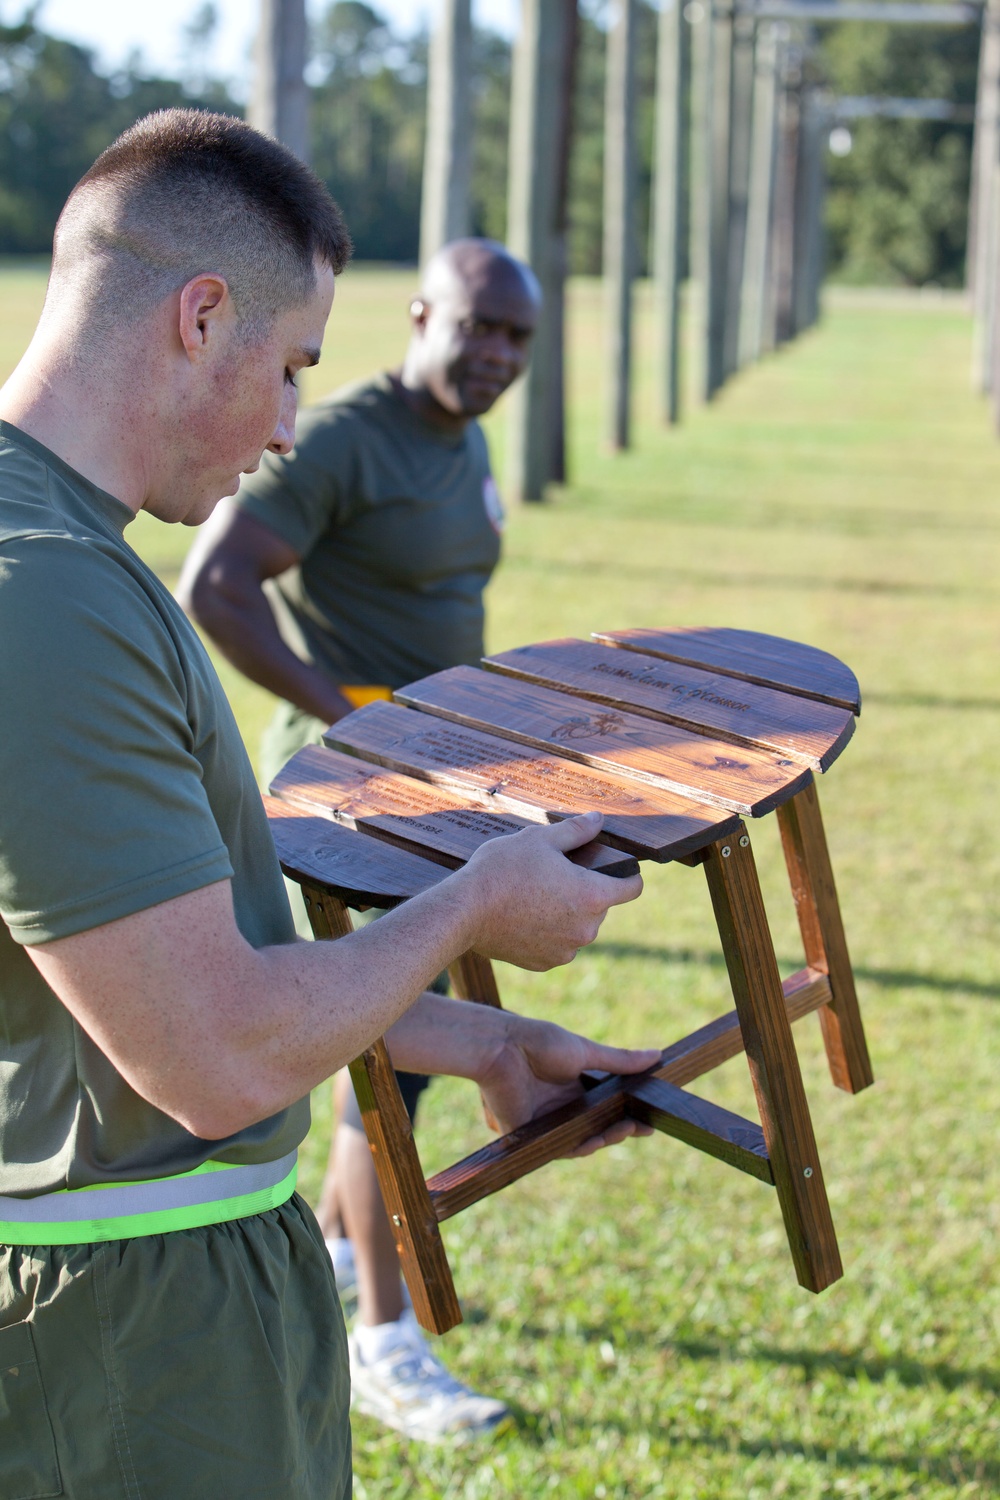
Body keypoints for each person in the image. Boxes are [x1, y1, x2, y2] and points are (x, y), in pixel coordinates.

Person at [0, 109, 656, 1498]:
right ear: (198, 316)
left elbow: (143, 978)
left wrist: (478, 1038)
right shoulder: (42, 595)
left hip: (157, 1304)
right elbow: (214, 1054)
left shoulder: (60, 562)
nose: (293, 421)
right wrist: (478, 901)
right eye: (292, 366)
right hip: (128, 1343)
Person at [178, 237, 540, 1442]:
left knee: (392, 1059)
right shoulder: (342, 437)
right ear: (421, 313)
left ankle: (340, 1260)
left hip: (446, 790)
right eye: (477, 327)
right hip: (355, 804)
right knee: (384, 1063)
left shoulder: (462, 436)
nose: (494, 355)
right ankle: (385, 1344)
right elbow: (218, 581)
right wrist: (362, 718)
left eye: (516, 339)